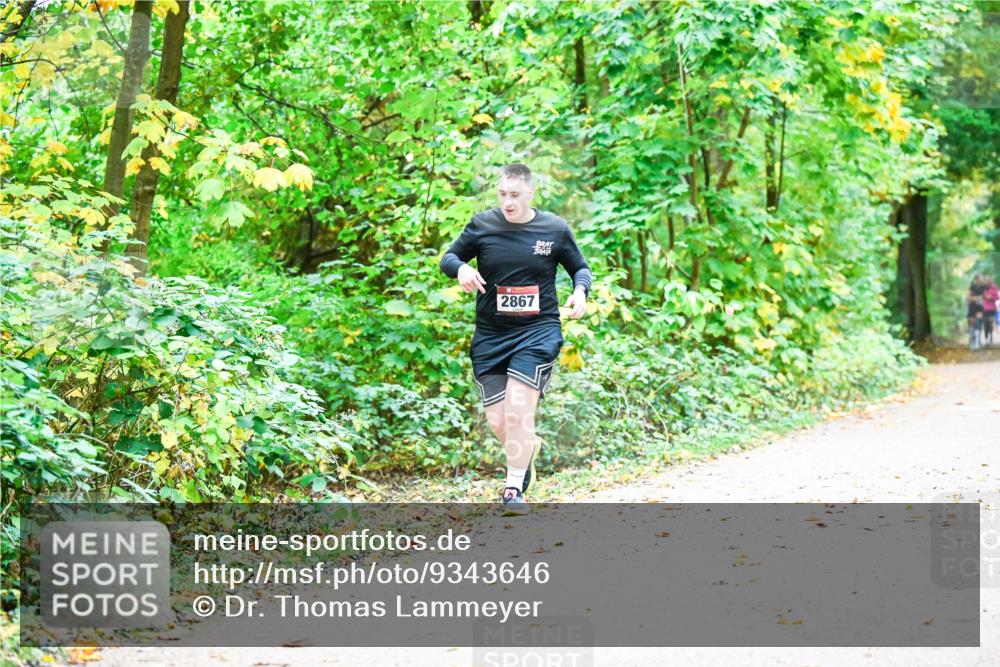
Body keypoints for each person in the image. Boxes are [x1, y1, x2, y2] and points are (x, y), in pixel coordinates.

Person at [439, 164, 592, 514]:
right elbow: (449, 257)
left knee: (520, 410)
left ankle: (512, 489)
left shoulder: (553, 229)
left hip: (537, 332)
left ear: (530, 193)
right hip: (491, 335)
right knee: (499, 421)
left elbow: (579, 268)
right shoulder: (483, 225)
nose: (507, 202)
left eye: (514, 195)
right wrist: (461, 268)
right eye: (502, 194)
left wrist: (580, 292)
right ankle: (526, 452)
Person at [967, 274, 985, 350]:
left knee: (978, 324)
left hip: (980, 308)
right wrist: (977, 298)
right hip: (972, 308)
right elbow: (968, 297)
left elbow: (986, 297)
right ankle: (972, 342)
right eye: (981, 278)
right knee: (972, 325)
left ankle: (977, 342)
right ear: (977, 279)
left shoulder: (983, 287)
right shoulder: (972, 287)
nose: (982, 279)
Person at [982, 276, 999, 346]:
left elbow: (998, 297)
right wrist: (984, 296)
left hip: (992, 309)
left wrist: (991, 297)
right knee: (986, 323)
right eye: (986, 281)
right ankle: (986, 338)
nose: (987, 282)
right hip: (984, 308)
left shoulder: (994, 287)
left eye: (989, 280)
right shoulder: (983, 288)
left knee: (990, 323)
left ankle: (990, 337)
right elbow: (980, 295)